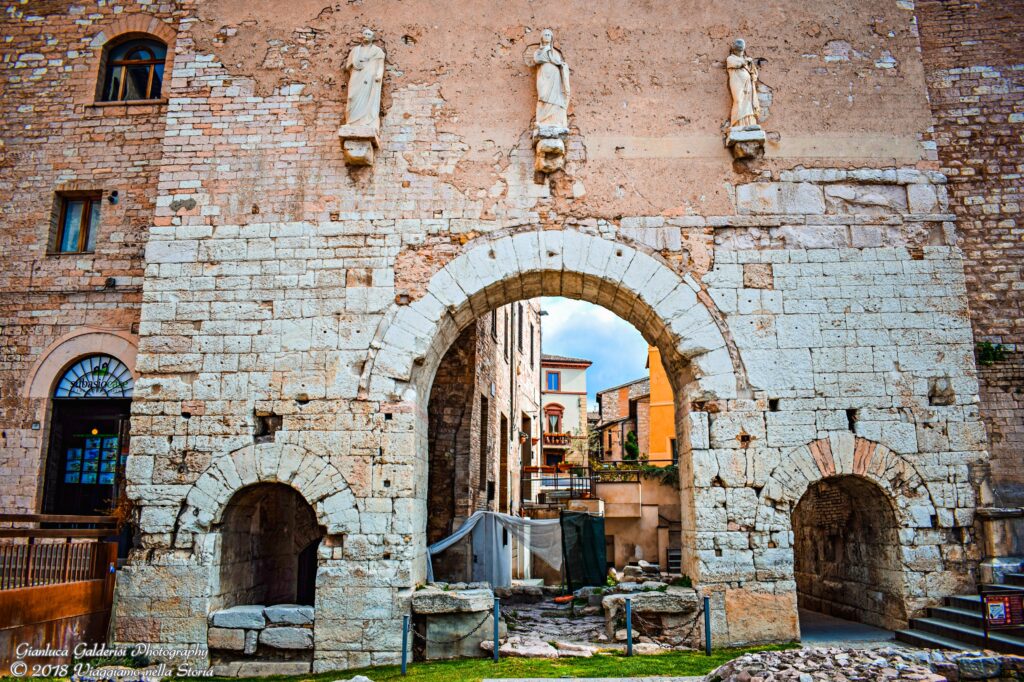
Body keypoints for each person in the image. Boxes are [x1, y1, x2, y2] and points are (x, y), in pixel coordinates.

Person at [344, 28, 386, 130]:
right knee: (351, 97)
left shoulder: (377, 51)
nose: (366, 35)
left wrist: (379, 75)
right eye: (365, 34)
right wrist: (356, 63)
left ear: (373, 37)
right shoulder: (355, 50)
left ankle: (365, 122)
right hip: (356, 76)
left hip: (370, 78)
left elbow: (380, 66)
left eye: (368, 34)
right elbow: (348, 66)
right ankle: (350, 121)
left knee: (368, 99)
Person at [533, 29, 571, 129]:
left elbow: (558, 62)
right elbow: (537, 59)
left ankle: (555, 121)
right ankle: (541, 120)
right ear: (541, 38)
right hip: (543, 77)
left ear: (551, 38)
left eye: (549, 35)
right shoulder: (538, 52)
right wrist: (546, 49)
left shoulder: (555, 53)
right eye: (545, 34)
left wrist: (563, 65)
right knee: (543, 96)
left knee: (555, 98)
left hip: (555, 77)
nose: (547, 36)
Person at [727, 38, 761, 129]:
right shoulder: (730, 58)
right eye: (738, 50)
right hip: (737, 82)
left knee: (749, 102)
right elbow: (737, 65)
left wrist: (753, 75)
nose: (740, 53)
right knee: (738, 100)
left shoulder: (747, 60)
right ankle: (736, 123)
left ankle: (749, 123)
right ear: (734, 49)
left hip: (748, 83)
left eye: (741, 51)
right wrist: (746, 61)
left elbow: (753, 71)